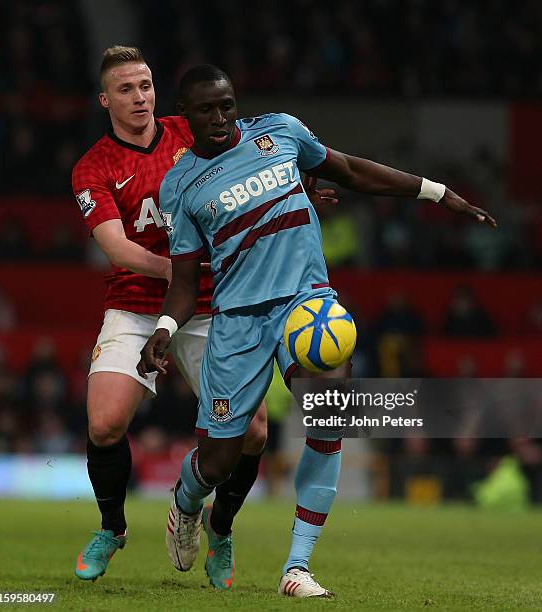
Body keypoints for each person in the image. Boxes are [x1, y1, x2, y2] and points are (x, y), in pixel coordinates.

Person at [138, 64, 496, 597]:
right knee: (217, 460)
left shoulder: (280, 131)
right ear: (184, 114)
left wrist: (437, 192)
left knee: (329, 418)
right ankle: (188, 504)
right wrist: (166, 326)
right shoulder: (181, 184)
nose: (220, 117)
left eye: (227, 105)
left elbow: (349, 169)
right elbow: (186, 280)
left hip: (308, 306)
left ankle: (297, 567)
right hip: (237, 321)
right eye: (207, 109)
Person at [71, 46, 276, 583]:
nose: (138, 97)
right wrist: (179, 271)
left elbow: (261, 155)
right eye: (125, 89)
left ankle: (221, 530)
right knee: (106, 423)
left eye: (145, 86)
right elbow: (116, 248)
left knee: (253, 432)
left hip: (210, 307)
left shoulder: (190, 131)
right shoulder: (94, 167)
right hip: (136, 305)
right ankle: (112, 528)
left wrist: (299, 186)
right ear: (104, 100)